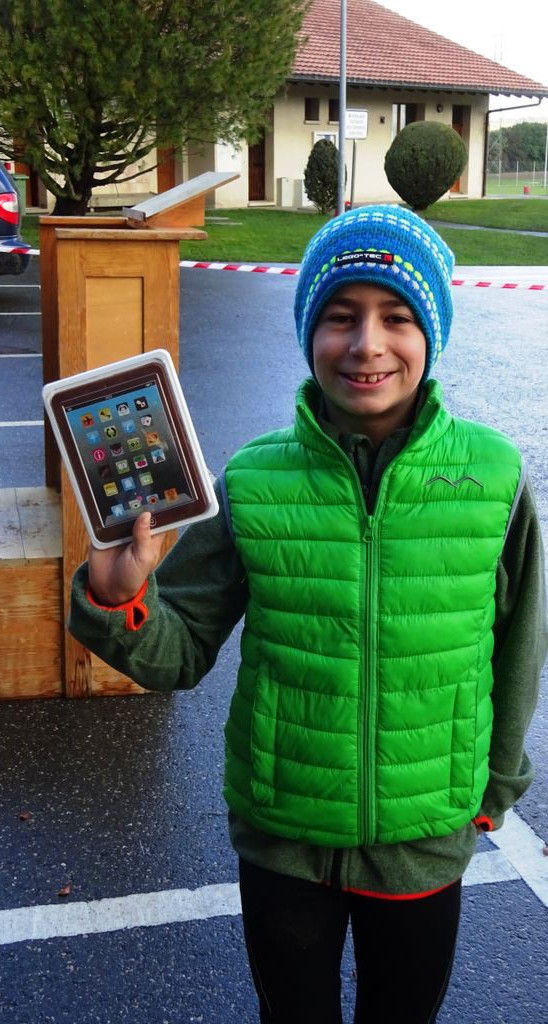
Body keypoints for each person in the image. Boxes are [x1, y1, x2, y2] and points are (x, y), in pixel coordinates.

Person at [69, 205, 547, 1024]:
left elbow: (519, 649)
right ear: (308, 332)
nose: (367, 344)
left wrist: (495, 787)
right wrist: (119, 599)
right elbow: (180, 652)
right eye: (340, 316)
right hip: (283, 843)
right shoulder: (253, 480)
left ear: (431, 332)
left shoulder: (494, 477)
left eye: (397, 318)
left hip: (423, 840)